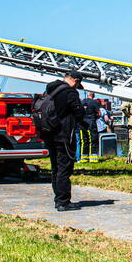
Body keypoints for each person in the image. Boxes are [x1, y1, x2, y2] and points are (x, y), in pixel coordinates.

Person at [42, 70, 86, 211]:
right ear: (76, 81)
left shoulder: (50, 90)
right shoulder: (70, 92)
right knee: (64, 168)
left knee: (55, 168)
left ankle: (58, 199)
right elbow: (79, 113)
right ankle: (63, 202)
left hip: (49, 133)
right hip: (64, 135)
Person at [78, 92, 102, 163]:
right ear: (93, 96)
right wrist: (96, 117)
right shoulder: (94, 102)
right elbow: (99, 113)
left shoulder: (81, 102)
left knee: (84, 140)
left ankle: (84, 158)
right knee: (93, 140)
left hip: (82, 123)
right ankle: (93, 158)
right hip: (91, 122)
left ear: (88, 95)